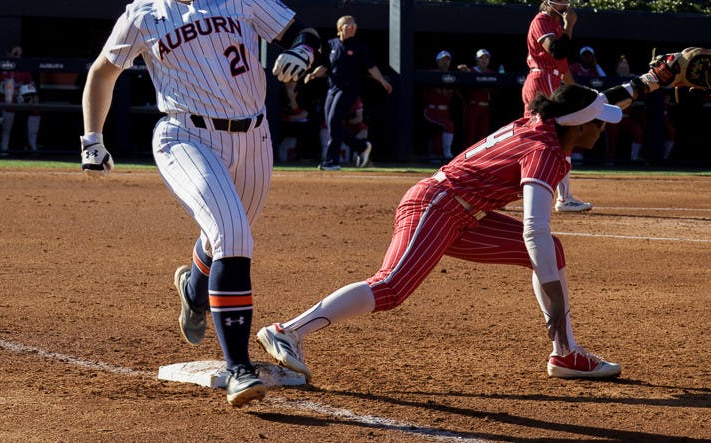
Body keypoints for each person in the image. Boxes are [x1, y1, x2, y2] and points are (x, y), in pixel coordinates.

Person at [80, 0, 322, 407]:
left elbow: (304, 31)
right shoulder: (143, 14)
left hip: (253, 137)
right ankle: (238, 367)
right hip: (184, 135)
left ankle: (194, 284)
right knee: (233, 233)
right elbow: (102, 74)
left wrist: (301, 53)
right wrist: (92, 138)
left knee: (226, 234)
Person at [258, 83, 653, 384]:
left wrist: (654, 78)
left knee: (552, 248)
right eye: (598, 121)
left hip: (465, 214)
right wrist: (553, 298)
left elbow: (595, 99)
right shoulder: (545, 152)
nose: (602, 127)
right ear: (578, 125)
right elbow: (534, 228)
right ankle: (287, 331)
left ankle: (565, 353)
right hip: (437, 205)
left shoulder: (542, 123)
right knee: (391, 287)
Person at [523, 0, 591, 213]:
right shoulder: (542, 21)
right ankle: (559, 197)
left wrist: (581, 94)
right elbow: (557, 50)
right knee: (536, 138)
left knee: (560, 137)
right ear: (549, 0)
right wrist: (569, 25)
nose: (564, 2)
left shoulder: (555, 24)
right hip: (541, 81)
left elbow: (563, 64)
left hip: (552, 80)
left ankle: (564, 196)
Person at [304, 15, 392, 171]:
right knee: (332, 124)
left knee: (333, 120)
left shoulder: (360, 46)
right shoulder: (331, 44)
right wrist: (312, 75)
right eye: (347, 24)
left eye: (353, 24)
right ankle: (361, 146)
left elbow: (371, 67)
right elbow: (324, 67)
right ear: (340, 28)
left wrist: (382, 81)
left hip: (349, 89)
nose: (351, 26)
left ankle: (333, 161)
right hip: (332, 88)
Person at [0, 44, 40, 156]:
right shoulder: (1, 66)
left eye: (20, 54)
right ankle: (4, 147)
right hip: (4, 100)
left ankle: (32, 146)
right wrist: (9, 92)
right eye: (15, 53)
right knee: (9, 109)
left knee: (35, 108)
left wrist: (33, 100)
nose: (18, 56)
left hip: (20, 100)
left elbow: (31, 88)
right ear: (8, 54)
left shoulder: (23, 69)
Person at [423, 50, 456, 161]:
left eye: (447, 60)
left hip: (444, 111)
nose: (445, 62)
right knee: (446, 126)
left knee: (447, 126)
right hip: (431, 111)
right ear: (437, 62)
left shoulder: (453, 76)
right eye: (442, 60)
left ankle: (445, 154)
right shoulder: (431, 73)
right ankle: (441, 154)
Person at [458, 48, 496, 145]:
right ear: (476, 59)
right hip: (472, 106)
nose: (484, 60)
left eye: (486, 58)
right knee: (470, 133)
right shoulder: (470, 71)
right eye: (481, 58)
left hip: (485, 108)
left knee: (483, 135)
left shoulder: (492, 73)